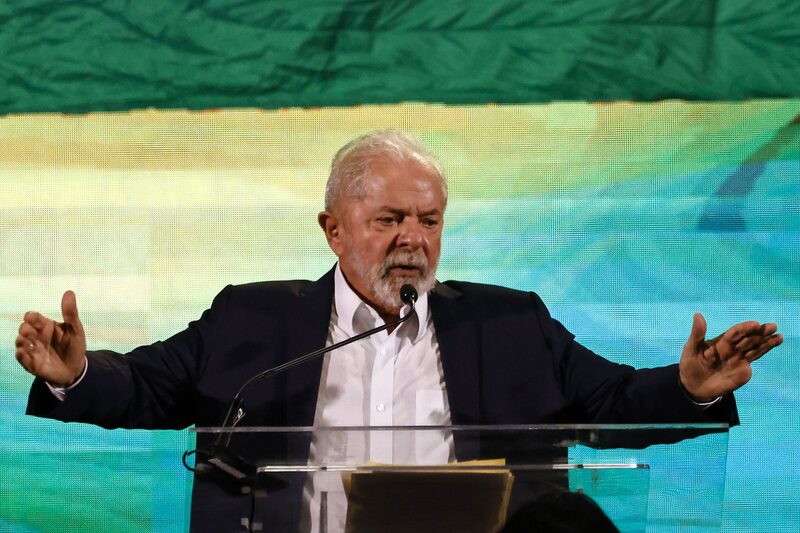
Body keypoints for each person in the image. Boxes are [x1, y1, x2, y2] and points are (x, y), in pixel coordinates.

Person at [15, 131, 783, 532]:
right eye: (389, 219)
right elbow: (149, 386)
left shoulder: (510, 321)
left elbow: (610, 401)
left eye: (429, 219)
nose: (412, 237)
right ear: (334, 228)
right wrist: (75, 373)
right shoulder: (252, 319)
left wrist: (687, 388)